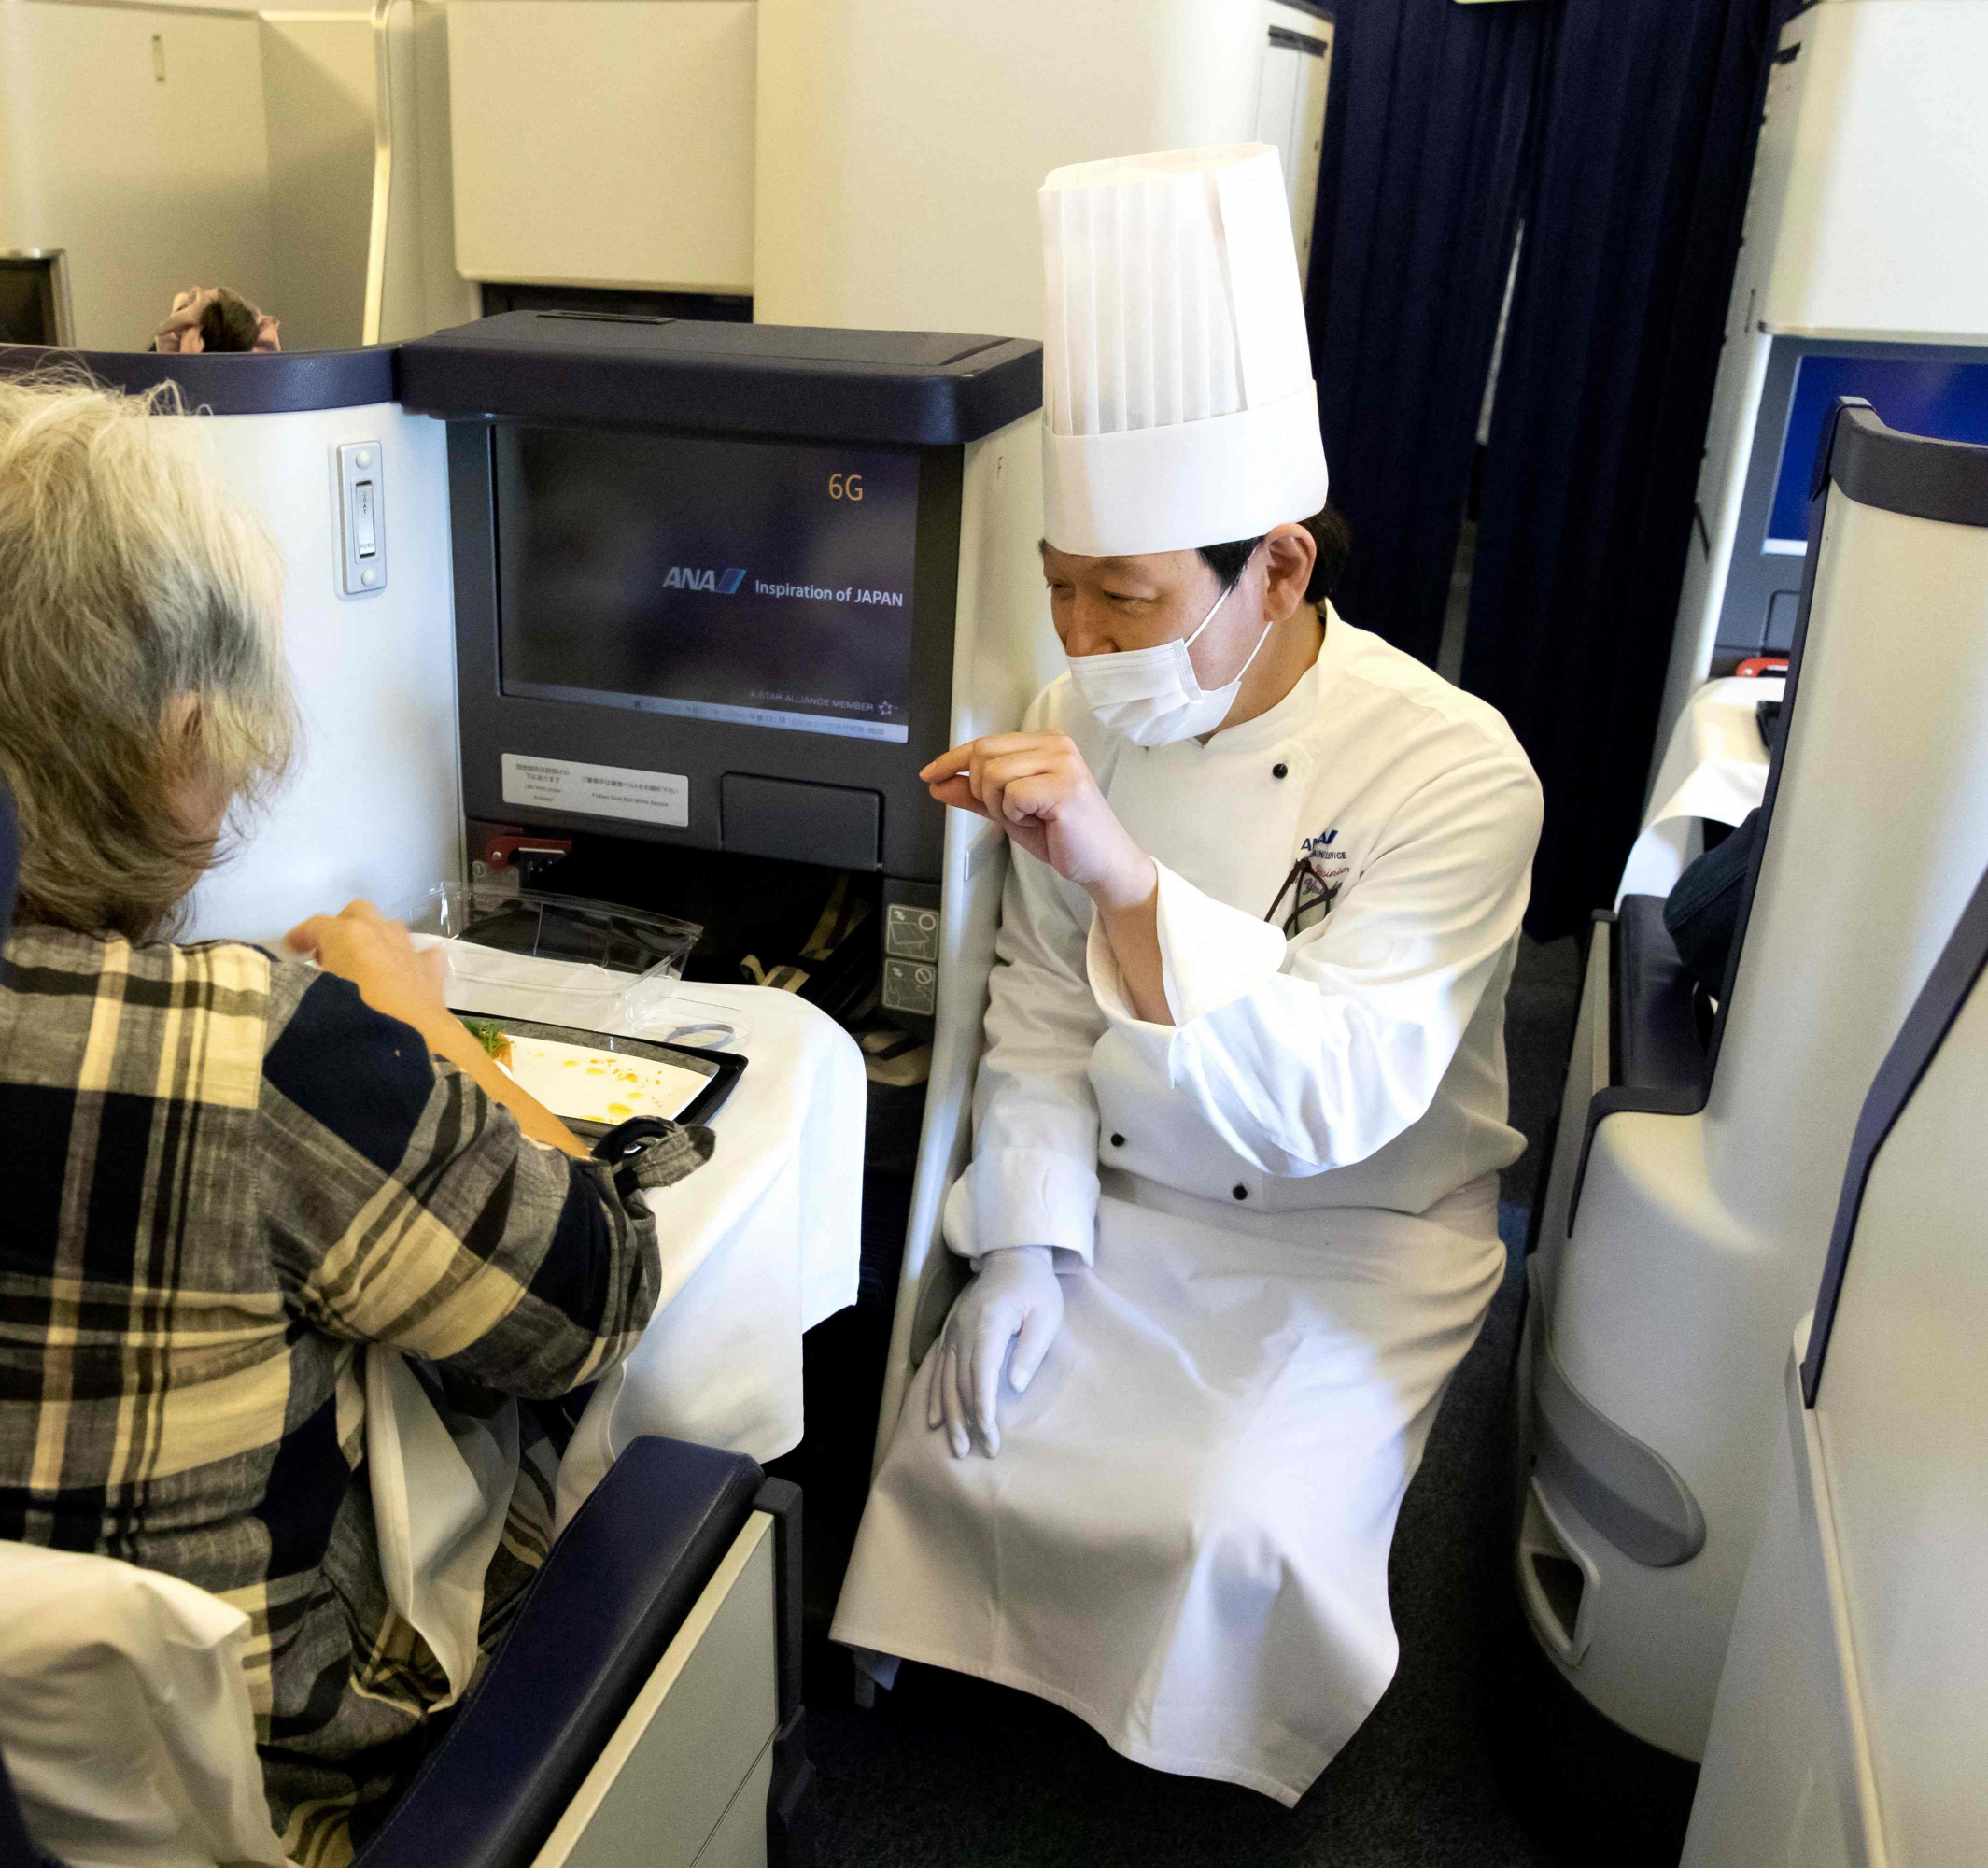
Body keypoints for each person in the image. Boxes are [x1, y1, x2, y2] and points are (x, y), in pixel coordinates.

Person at [0, 375, 702, 1864]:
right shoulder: (254, 1060)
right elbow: (594, 1295)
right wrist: (423, 1027)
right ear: (174, 741)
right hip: (284, 1795)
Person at [831, 145, 1544, 1805]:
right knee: (951, 1445)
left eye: (1128, 598)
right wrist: (1029, 1244)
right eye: (1062, 593)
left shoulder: (1456, 766)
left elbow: (1343, 1098)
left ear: (1276, 569)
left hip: (1348, 1232)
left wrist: (1126, 878)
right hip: (1128, 1198)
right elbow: (1037, 1013)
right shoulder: (1087, 715)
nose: (1081, 643)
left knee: (1229, 1530)